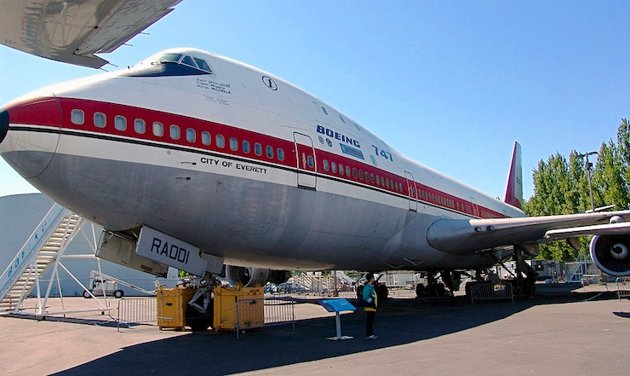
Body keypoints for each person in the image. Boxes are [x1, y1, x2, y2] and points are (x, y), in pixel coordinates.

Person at [362, 272, 378, 339]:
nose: (374, 279)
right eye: (373, 277)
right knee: (370, 321)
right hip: (370, 307)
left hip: (372, 307)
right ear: (371, 279)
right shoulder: (367, 287)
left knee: (371, 321)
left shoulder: (371, 286)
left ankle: (370, 334)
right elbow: (365, 296)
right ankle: (369, 335)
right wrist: (371, 301)